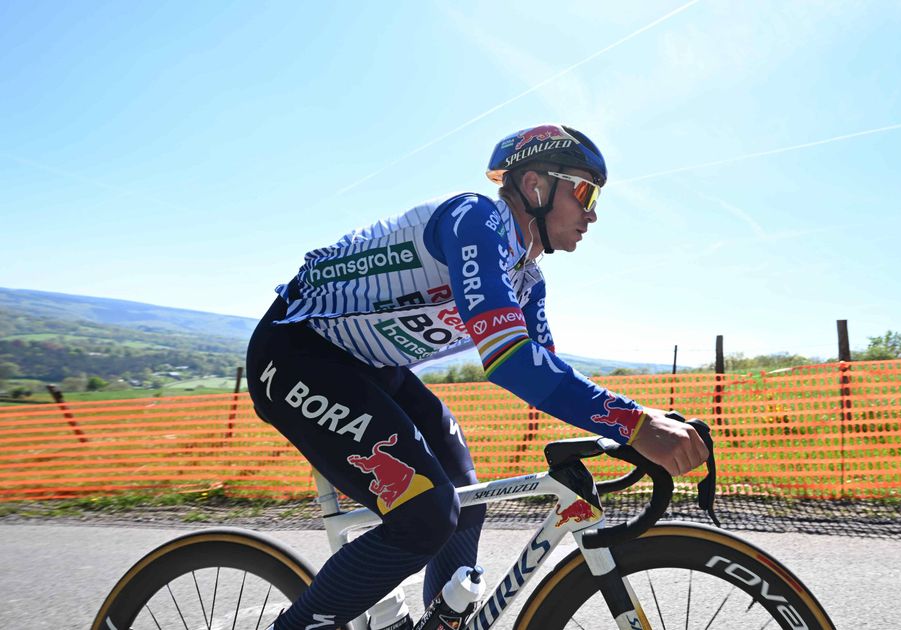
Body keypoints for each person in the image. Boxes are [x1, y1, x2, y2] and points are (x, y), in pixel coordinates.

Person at [246, 124, 709, 630]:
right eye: (584, 191)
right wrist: (636, 425)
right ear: (535, 185)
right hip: (298, 354)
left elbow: (545, 373)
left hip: (372, 368)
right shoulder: (476, 218)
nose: (593, 212)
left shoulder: (528, 280)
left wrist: (629, 426)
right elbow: (509, 360)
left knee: (467, 497)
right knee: (426, 515)